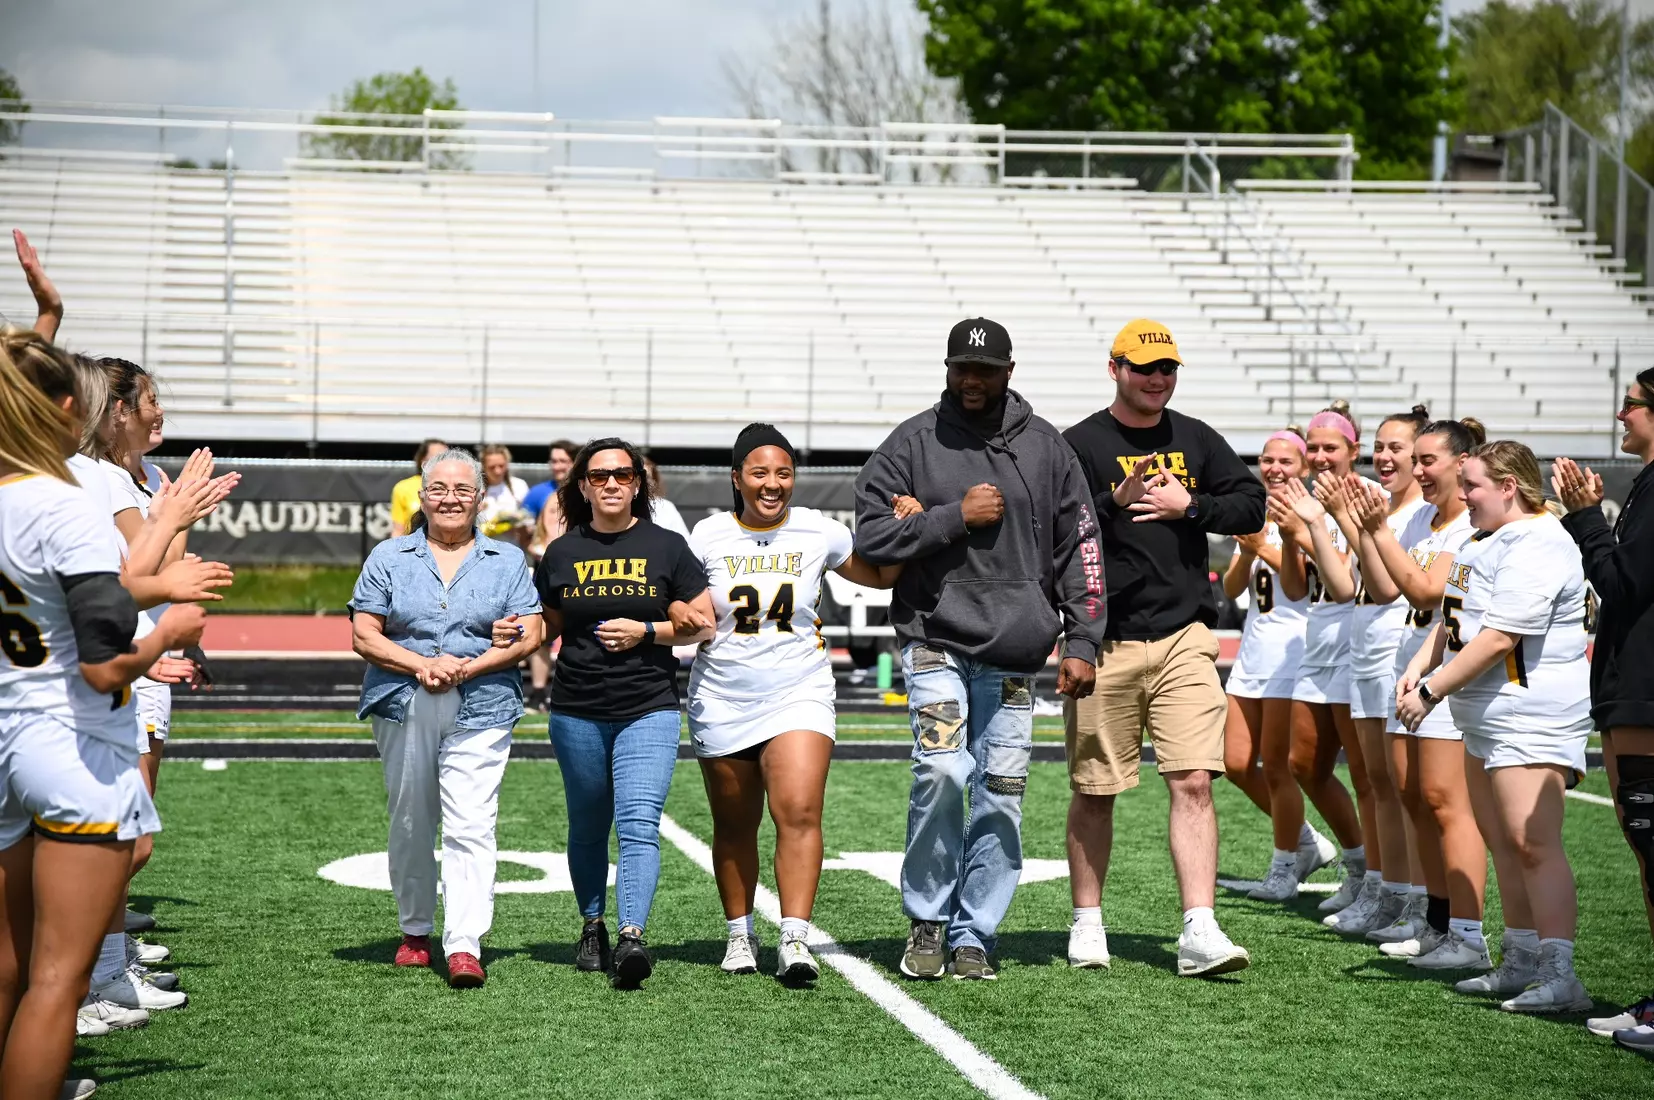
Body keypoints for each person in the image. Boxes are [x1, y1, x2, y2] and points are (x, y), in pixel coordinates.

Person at [854, 316, 1105, 983]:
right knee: (940, 771)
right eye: (961, 368)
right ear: (946, 369)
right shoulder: (911, 443)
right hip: (934, 640)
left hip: (1017, 656)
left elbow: (1080, 548)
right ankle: (928, 920)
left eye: (985, 371)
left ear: (1009, 373)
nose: (972, 381)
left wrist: (1083, 637)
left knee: (1001, 793)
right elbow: (869, 539)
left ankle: (975, 934)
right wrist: (951, 519)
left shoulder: (1047, 448)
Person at [0, 333, 207, 1100]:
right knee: (59, 978)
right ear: (62, 410)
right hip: (73, 741)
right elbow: (103, 662)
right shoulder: (64, 505)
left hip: (4, 734)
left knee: (9, 968)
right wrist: (168, 635)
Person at [1060, 318, 1263, 976]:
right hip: (1104, 638)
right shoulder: (1082, 442)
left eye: (1168, 368)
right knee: (1096, 789)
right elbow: (1053, 527)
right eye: (1145, 367)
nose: (1158, 379)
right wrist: (1111, 502)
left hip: (1182, 635)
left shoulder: (1196, 438)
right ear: (1114, 368)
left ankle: (1198, 927)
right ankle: (1088, 921)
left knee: (1195, 781)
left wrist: (1193, 505)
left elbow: (1251, 505)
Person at [681, 424, 906, 981]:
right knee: (734, 823)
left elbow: (878, 577)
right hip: (722, 692)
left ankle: (795, 936)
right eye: (759, 473)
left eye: (783, 473)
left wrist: (910, 530)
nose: (772, 484)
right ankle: (739, 935)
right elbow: (681, 605)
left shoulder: (818, 530)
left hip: (799, 688)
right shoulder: (707, 535)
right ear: (737, 479)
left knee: (799, 811)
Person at [1397, 441, 1594, 1014]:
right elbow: (1456, 618)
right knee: (1503, 840)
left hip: (1528, 711)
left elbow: (1501, 636)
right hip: (1485, 711)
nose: (1464, 497)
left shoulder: (1539, 542)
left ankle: (1561, 973)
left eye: (1474, 486)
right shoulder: (1484, 537)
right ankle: (1521, 960)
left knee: (1533, 842)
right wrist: (1419, 666)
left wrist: (1432, 689)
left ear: (1509, 486)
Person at [349, 448, 546, 990]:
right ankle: (415, 931)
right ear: (422, 495)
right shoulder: (389, 556)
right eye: (439, 488)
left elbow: (532, 632)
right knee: (411, 818)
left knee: (472, 822)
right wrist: (423, 664)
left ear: (480, 498)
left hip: (484, 701)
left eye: (463, 489)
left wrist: (470, 666)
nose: (451, 498)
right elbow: (364, 633)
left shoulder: (506, 561)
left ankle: (464, 943)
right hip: (403, 698)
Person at [533, 438, 710, 989]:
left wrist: (647, 631)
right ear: (582, 486)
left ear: (639, 483)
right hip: (577, 708)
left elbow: (702, 623)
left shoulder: (667, 546)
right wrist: (509, 634)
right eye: (599, 476)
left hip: (648, 706)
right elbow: (547, 625)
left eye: (622, 475)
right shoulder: (562, 553)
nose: (611, 484)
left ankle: (633, 934)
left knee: (638, 824)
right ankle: (593, 925)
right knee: (588, 827)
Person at [1348, 418, 1490, 966]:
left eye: (1430, 460)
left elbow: (1428, 592)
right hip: (1409, 666)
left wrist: (1376, 528)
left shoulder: (1469, 528)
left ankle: (1468, 932)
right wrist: (1362, 525)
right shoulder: (1425, 521)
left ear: (1461, 463)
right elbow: (1385, 588)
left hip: (1447, 674)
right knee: (1413, 795)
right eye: (1420, 459)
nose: (1420, 470)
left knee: (1444, 801)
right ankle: (1437, 920)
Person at [1554, 368, 1654, 1052]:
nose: (1621, 416)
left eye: (1631, 404)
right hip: (1630, 689)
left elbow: (1622, 583)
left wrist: (1587, 517)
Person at [1268, 402, 1373, 928]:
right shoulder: (1308, 503)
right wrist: (1290, 537)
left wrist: (1306, 527)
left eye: (1331, 446)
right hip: (1318, 641)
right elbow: (1295, 587)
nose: (1320, 455)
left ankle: (1378, 881)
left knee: (1364, 772)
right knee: (1302, 764)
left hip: (1357, 645)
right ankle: (1358, 867)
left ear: (1354, 452)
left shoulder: (1367, 499)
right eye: (1314, 446)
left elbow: (1345, 585)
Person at [1221, 429, 1335, 900]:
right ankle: (1308, 841)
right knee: (1234, 763)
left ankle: (1285, 866)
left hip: (1293, 653)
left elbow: (1304, 582)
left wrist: (1263, 546)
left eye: (1286, 461)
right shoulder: (1257, 511)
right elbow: (1231, 589)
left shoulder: (1313, 515)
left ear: (1304, 467)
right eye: (1267, 460)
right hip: (1253, 650)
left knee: (1276, 768)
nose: (1274, 468)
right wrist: (1248, 550)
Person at [524, 440, 577, 711]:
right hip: (546, 567)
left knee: (576, 629)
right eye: (553, 460)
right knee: (542, 630)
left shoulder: (586, 491)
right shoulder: (538, 494)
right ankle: (538, 691)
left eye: (563, 461)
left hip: (576, 568)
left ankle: (570, 689)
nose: (557, 466)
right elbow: (527, 530)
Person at [390, 439, 447, 537]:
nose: (443, 462)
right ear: (423, 461)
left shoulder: (456, 486)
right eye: (437, 458)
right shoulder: (403, 487)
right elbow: (398, 530)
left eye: (447, 458)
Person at [478, 444, 532, 543]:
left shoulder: (519, 485)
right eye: (492, 467)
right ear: (484, 467)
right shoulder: (476, 488)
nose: (497, 471)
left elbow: (528, 518)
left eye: (501, 466)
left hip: (512, 546)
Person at [643, 456, 691, 539]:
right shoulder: (616, 506)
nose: (641, 482)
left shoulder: (665, 507)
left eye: (647, 478)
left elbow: (684, 543)